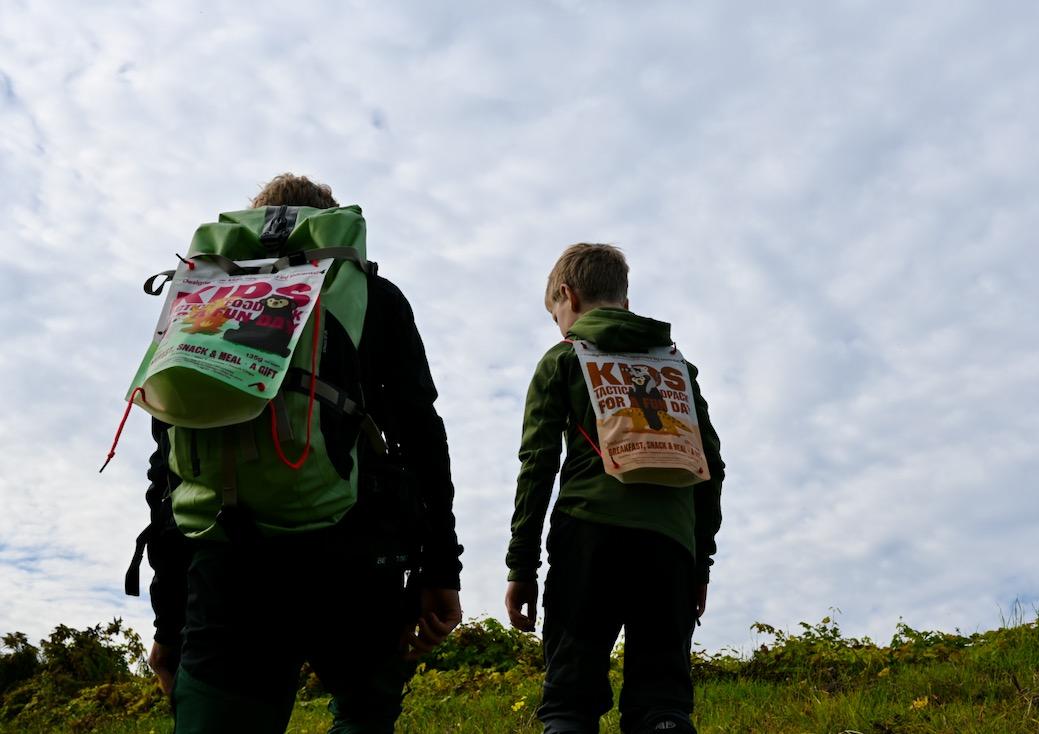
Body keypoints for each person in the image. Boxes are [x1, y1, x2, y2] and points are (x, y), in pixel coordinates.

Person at [141, 174, 463, 733]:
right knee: (364, 713)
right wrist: (441, 569)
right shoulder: (368, 294)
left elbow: (167, 469)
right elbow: (420, 438)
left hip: (226, 566)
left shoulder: (199, 301)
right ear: (330, 225)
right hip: (352, 560)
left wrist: (170, 625)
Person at [505, 243, 724, 734]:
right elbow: (712, 466)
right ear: (624, 301)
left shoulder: (562, 360)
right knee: (663, 703)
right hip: (669, 547)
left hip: (587, 535)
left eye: (555, 313)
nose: (558, 326)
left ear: (568, 294)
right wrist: (698, 561)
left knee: (570, 702)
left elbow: (537, 466)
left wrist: (522, 565)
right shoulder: (676, 369)